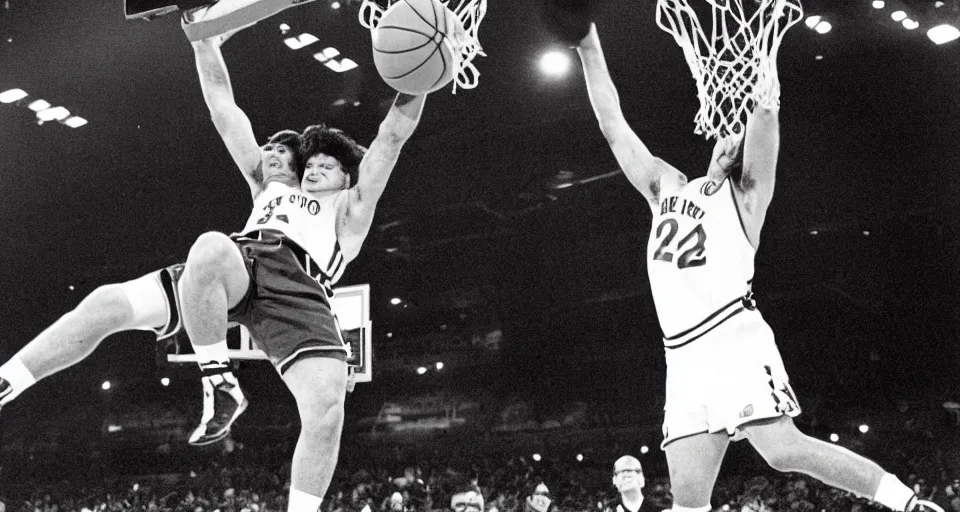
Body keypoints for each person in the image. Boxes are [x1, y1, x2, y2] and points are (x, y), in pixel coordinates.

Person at [576, 22, 941, 512]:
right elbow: (613, 125)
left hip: (731, 338)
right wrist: (587, 43)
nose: (729, 139)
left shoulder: (747, 201)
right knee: (687, 501)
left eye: (736, 135)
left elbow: (764, 119)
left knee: (784, 452)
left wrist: (762, 79)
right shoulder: (665, 187)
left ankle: (908, 503)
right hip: (681, 356)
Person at [179, 18, 427, 512]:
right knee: (208, 247)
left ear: (345, 175)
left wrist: (419, 78)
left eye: (326, 166)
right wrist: (202, 40)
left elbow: (393, 135)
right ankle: (218, 381)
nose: (312, 168)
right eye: (310, 164)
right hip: (250, 262)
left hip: (303, 291)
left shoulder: (352, 208)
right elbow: (225, 111)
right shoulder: (270, 185)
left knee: (327, 411)